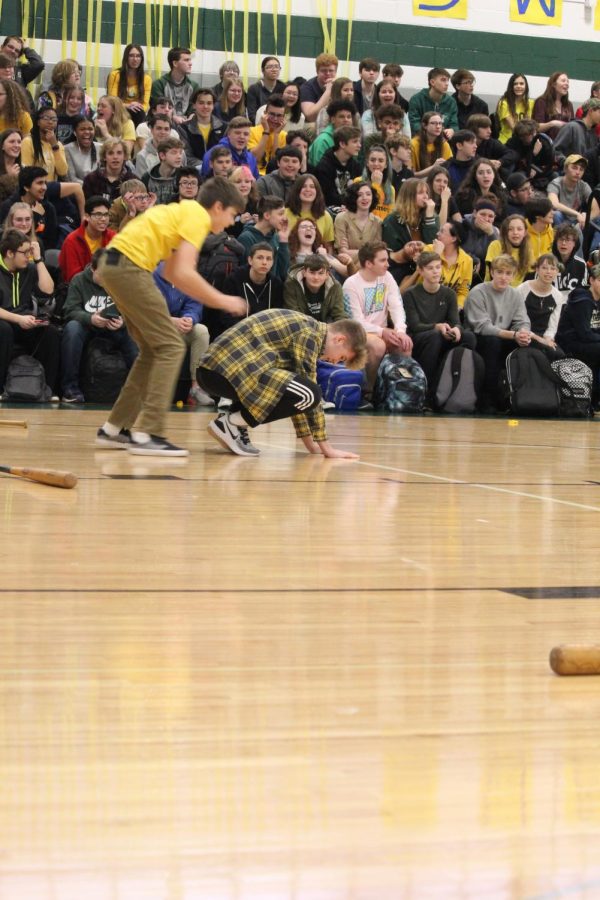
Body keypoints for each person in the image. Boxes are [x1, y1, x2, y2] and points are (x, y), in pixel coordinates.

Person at [95, 176, 247, 456]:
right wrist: (223, 300)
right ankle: (149, 433)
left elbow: (173, 273)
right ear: (217, 206)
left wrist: (212, 298)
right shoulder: (197, 216)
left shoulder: (180, 214)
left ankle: (115, 427)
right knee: (172, 345)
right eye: (232, 215)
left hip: (112, 264)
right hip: (128, 267)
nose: (230, 223)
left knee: (153, 351)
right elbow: (185, 274)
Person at [198, 308, 366, 458]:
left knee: (297, 390)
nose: (336, 362)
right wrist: (327, 448)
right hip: (221, 372)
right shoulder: (310, 335)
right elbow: (309, 396)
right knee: (311, 393)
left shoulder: (308, 328)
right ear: (339, 340)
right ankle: (231, 422)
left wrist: (311, 446)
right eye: (342, 358)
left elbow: (298, 400)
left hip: (217, 372)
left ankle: (233, 425)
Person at [61, 250, 138, 403]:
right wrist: (90, 318)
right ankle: (70, 388)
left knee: (133, 334)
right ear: (93, 269)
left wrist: (123, 322)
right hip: (87, 327)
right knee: (72, 329)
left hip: (113, 328)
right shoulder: (79, 281)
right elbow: (69, 311)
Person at [342, 240, 413, 402]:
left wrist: (400, 331)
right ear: (368, 263)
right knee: (378, 345)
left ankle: (402, 393)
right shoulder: (351, 285)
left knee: (405, 344)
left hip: (381, 331)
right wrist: (382, 332)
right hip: (358, 333)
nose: (388, 264)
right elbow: (356, 322)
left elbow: (396, 306)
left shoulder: (386, 277)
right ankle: (371, 392)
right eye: (383, 260)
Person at [463, 253, 533, 410]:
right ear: (492, 273)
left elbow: (522, 321)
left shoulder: (515, 294)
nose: (503, 277)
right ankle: (488, 399)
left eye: (508, 273)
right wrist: (513, 335)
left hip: (504, 335)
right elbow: (482, 327)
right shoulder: (478, 292)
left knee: (527, 345)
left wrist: (522, 333)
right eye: (500, 272)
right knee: (492, 343)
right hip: (479, 337)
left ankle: (522, 398)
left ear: (513, 276)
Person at [0, 228, 60, 398]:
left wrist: (39, 259)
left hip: (25, 320)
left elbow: (48, 290)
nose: (29, 256)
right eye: (25, 253)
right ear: (10, 253)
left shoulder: (30, 268)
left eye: (30, 252)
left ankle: (48, 389)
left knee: (51, 332)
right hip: (5, 320)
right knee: (3, 330)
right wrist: (18, 319)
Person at [403, 249, 476, 387]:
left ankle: (460, 385)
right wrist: (436, 327)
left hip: (442, 334)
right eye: (430, 268)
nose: (436, 271)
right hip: (420, 337)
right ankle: (426, 387)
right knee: (434, 336)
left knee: (469, 337)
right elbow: (414, 325)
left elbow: (456, 322)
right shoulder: (410, 294)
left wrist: (457, 330)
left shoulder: (449, 294)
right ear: (421, 270)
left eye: (438, 267)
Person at [152, 259, 213, 406]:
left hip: (179, 327)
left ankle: (197, 388)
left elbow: (194, 305)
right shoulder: (151, 277)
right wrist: (172, 321)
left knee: (201, 331)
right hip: (155, 328)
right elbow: (146, 310)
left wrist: (189, 319)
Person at [382, 178, 439, 289]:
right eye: (421, 193)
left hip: (425, 266)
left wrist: (430, 218)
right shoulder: (392, 220)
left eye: (427, 192)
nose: (426, 196)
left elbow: (432, 245)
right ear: (409, 196)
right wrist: (411, 255)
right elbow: (391, 251)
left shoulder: (431, 216)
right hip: (400, 267)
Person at [218, 241, 284, 337]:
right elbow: (225, 316)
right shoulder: (234, 279)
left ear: (272, 262)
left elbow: (278, 316)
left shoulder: (276, 284)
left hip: (266, 335)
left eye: (269, 259)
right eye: (260, 258)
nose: (264, 262)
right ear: (250, 260)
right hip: (238, 334)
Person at [555, 257, 600, 393]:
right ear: (591, 280)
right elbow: (584, 333)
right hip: (570, 343)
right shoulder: (583, 301)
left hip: (589, 341)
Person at [515, 254, 565, 357]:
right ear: (537, 270)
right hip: (523, 334)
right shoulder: (522, 289)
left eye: (553, 268)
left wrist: (548, 339)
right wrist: (540, 340)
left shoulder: (558, 296)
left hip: (543, 336)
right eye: (544, 268)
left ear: (557, 272)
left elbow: (552, 326)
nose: (548, 272)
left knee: (558, 354)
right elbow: (517, 319)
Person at [59, 195, 115, 283]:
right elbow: (73, 278)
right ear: (87, 216)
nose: (103, 219)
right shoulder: (72, 241)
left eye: (106, 214)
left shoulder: (113, 237)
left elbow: (117, 269)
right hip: (81, 289)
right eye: (98, 215)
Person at [0, 166, 59, 250]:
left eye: (45, 183)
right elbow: (4, 238)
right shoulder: (8, 206)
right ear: (26, 187)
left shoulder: (48, 208)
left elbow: (51, 242)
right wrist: (36, 216)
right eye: (40, 183)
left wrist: (42, 218)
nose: (45, 187)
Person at [237, 194, 290, 281]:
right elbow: (245, 274)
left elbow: (283, 273)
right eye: (281, 214)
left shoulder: (276, 237)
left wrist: (283, 241)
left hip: (273, 289)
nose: (285, 218)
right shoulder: (246, 238)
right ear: (267, 216)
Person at [424, 221, 473, 309]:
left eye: (442, 231)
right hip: (425, 302)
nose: (437, 233)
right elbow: (423, 277)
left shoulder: (467, 261)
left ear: (453, 238)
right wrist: (436, 255)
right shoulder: (429, 249)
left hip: (449, 307)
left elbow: (463, 291)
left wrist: (456, 308)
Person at [283, 253, 345, 321]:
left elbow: (339, 315)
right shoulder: (291, 285)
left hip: (327, 327)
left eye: (321, 273)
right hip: (300, 326)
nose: (316, 277)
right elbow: (293, 315)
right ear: (304, 272)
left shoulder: (335, 287)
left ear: (327, 274)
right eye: (312, 272)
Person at [314, 126, 362, 208]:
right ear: (342, 144)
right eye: (355, 142)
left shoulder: (356, 165)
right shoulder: (324, 167)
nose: (359, 145)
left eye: (359, 142)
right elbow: (328, 198)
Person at [176, 87, 225, 167]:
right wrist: (206, 166)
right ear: (194, 105)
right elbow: (186, 156)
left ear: (213, 106)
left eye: (209, 103)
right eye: (201, 103)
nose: (205, 106)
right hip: (194, 172)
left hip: (218, 171)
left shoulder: (223, 127)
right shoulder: (183, 128)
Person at [334, 181, 382, 262]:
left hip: (370, 267)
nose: (365, 198)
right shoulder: (341, 218)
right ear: (353, 198)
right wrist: (368, 254)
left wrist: (352, 252)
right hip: (346, 266)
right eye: (360, 195)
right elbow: (342, 253)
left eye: (368, 194)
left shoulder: (378, 222)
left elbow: (377, 253)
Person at [150, 47, 199, 125]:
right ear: (175, 63)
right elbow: (158, 109)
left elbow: (194, 108)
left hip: (187, 125)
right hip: (164, 123)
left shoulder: (194, 86)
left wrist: (192, 116)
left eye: (190, 60)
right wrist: (173, 117)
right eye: (186, 60)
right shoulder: (158, 84)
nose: (190, 63)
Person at [106, 43, 151, 127]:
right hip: (119, 110)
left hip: (137, 112)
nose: (135, 59)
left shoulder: (147, 78)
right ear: (126, 58)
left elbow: (145, 105)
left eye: (138, 56)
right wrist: (128, 105)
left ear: (141, 59)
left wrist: (135, 107)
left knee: (139, 112)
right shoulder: (115, 75)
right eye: (131, 56)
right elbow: (112, 101)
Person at [408, 67, 458, 139]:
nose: (447, 84)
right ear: (432, 82)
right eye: (443, 80)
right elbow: (414, 124)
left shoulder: (451, 102)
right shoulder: (416, 99)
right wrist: (430, 134)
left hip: (442, 142)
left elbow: (454, 124)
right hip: (421, 140)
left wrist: (452, 130)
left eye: (447, 81)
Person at [485, 214, 533, 286]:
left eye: (519, 229)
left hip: (517, 293)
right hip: (494, 289)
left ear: (525, 232)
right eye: (510, 229)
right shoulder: (496, 245)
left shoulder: (528, 249)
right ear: (505, 232)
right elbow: (492, 272)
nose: (515, 233)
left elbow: (529, 276)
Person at [21, 108, 68, 182]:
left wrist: (54, 146)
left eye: (54, 119)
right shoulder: (28, 142)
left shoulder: (58, 145)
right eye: (46, 118)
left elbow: (62, 172)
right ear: (38, 122)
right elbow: (26, 171)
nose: (50, 122)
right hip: (34, 186)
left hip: (52, 186)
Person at [308, 99, 358, 168]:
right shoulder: (323, 140)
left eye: (349, 117)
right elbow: (319, 170)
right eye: (341, 117)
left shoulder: (353, 140)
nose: (346, 120)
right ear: (333, 119)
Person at [82, 137, 134, 204]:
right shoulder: (90, 179)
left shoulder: (133, 181)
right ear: (104, 157)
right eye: (110, 153)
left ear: (125, 156)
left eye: (119, 153)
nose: (115, 157)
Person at [547, 154, 591, 230]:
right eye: (574, 168)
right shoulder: (555, 183)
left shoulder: (584, 186)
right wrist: (577, 214)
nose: (578, 172)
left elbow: (595, 205)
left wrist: (587, 215)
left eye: (581, 169)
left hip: (576, 221)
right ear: (565, 168)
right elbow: (554, 204)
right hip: (560, 219)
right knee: (557, 214)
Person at [248, 94, 288, 174]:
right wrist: (266, 131)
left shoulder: (284, 136)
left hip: (275, 176)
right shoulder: (251, 131)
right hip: (255, 174)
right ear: (265, 113)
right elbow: (255, 158)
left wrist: (276, 134)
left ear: (284, 117)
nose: (275, 119)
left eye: (279, 115)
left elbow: (276, 164)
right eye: (272, 114)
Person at [354, 144, 395, 221]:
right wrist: (375, 185)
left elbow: (391, 217)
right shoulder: (358, 182)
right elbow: (362, 210)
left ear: (386, 164)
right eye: (372, 160)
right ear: (367, 163)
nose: (376, 164)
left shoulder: (391, 189)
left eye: (381, 161)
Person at [461, 198, 499, 278]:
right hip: (460, 267)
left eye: (490, 216)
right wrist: (474, 259)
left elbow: (497, 256)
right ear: (475, 213)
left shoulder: (495, 232)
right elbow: (455, 249)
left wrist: (491, 234)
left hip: (481, 274)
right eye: (483, 214)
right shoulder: (462, 225)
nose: (486, 219)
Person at [141, 137, 184, 205]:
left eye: (180, 153)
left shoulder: (185, 176)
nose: (179, 156)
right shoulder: (147, 178)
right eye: (174, 153)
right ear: (162, 155)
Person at [532, 72, 574, 141]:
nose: (567, 84)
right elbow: (536, 127)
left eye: (568, 82)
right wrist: (552, 124)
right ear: (554, 84)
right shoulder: (541, 102)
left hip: (564, 146)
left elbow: (572, 126)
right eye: (563, 81)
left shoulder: (569, 105)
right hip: (546, 145)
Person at [410, 111, 452, 178]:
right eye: (433, 123)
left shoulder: (444, 144)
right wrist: (433, 168)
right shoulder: (413, 144)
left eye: (440, 123)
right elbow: (411, 175)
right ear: (424, 126)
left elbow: (449, 170)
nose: (438, 126)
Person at [300, 53, 339, 123]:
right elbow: (310, 117)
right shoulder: (307, 87)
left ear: (336, 72)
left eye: (331, 70)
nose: (328, 73)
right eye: (324, 70)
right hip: (312, 124)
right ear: (317, 71)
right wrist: (329, 90)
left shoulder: (340, 85)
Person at [552, 222, 587, 301]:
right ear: (556, 242)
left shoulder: (581, 265)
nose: (563, 243)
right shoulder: (547, 262)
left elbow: (582, 292)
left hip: (573, 306)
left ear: (575, 243)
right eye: (561, 239)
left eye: (567, 240)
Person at [496, 74, 534, 144]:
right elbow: (514, 128)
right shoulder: (504, 103)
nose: (518, 86)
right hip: (507, 141)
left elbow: (529, 124)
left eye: (521, 84)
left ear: (526, 86)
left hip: (525, 141)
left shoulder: (530, 103)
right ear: (511, 87)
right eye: (515, 84)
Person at [246, 56, 285, 123]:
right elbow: (252, 115)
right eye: (270, 67)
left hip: (279, 124)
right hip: (259, 125)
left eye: (276, 67)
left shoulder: (284, 88)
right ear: (263, 70)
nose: (274, 69)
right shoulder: (254, 89)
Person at [64, 116, 100, 184]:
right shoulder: (67, 149)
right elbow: (71, 178)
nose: (87, 132)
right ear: (75, 132)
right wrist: (89, 188)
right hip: (77, 190)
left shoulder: (101, 148)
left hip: (100, 189)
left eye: (90, 129)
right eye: (82, 129)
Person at [227, 165, 259, 236]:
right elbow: (224, 233)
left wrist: (260, 224)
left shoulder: (257, 204)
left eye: (247, 181)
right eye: (238, 182)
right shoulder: (226, 205)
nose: (243, 185)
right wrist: (240, 223)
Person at [0, 128, 21, 203]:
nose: (16, 145)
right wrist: (9, 178)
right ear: (2, 146)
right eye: (12, 142)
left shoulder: (23, 169)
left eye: (19, 142)